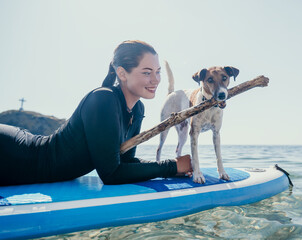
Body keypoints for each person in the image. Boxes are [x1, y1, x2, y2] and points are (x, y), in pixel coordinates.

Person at [0, 40, 193, 186]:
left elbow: (125, 162)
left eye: (158, 72)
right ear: (122, 73)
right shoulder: (103, 99)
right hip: (15, 156)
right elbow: (111, 174)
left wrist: (171, 169)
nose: (156, 80)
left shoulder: (137, 108)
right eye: (147, 72)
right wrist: (172, 165)